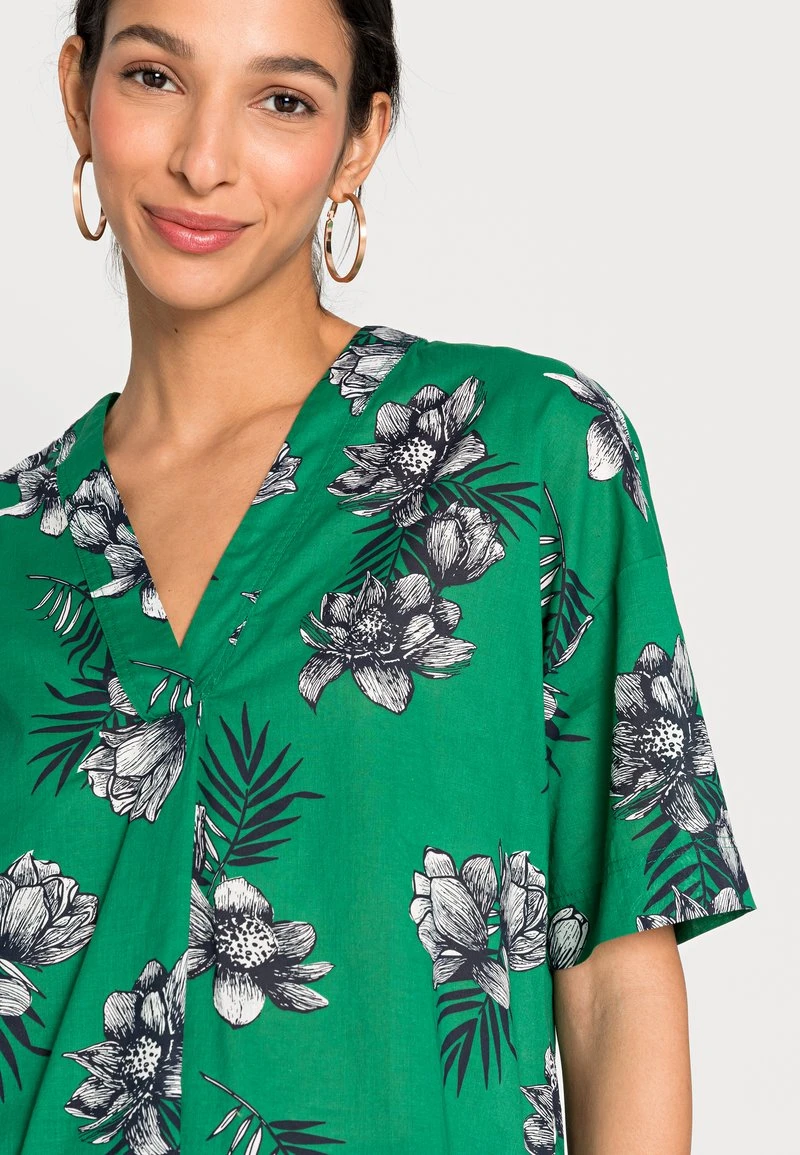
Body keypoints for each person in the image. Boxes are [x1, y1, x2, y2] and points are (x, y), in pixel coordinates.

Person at [0, 1, 757, 1152]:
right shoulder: (17, 545)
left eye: (281, 100)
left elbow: (613, 978)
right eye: (154, 76)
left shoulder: (524, 457)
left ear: (358, 139)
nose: (203, 158)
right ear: (77, 90)